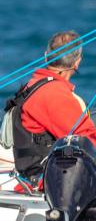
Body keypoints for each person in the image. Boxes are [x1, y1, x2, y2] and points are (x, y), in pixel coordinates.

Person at [8, 30, 96, 184]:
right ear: (77, 62)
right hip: (51, 181)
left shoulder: (34, 84)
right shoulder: (54, 94)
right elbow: (87, 141)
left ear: (46, 56)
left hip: (39, 174)